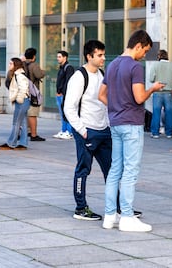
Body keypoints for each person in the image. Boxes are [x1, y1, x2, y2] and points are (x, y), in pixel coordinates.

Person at [100, 30, 164, 232]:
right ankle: (127, 216)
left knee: (115, 170)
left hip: (116, 122)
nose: (144, 55)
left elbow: (101, 95)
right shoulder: (135, 67)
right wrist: (152, 89)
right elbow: (138, 98)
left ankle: (110, 216)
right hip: (131, 123)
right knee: (130, 170)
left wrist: (116, 106)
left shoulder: (112, 65)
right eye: (144, 50)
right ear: (138, 45)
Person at [64, 39, 112, 221]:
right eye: (99, 55)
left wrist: (108, 124)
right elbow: (69, 107)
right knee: (83, 169)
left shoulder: (102, 75)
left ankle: (117, 206)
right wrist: (82, 130)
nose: (103, 58)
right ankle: (81, 207)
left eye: (103, 54)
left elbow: (105, 102)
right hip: (87, 130)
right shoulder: (79, 77)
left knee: (112, 170)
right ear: (89, 56)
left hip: (103, 130)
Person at [0, 58, 30, 150]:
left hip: (22, 101)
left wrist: (19, 99)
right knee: (22, 122)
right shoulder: (17, 74)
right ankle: (23, 143)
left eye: (11, 64)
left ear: (16, 65)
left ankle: (11, 142)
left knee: (16, 122)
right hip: (23, 101)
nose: (9, 65)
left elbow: (23, 88)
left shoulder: (20, 75)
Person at [149, 49, 172, 139]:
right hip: (168, 92)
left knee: (156, 113)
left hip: (158, 92)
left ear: (159, 56)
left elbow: (151, 78)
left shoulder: (155, 65)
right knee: (169, 113)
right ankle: (169, 133)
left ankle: (155, 133)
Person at [24, 47, 46, 142]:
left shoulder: (22, 65)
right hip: (33, 93)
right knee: (33, 114)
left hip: (24, 92)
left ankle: (28, 131)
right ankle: (33, 134)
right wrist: (44, 72)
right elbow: (39, 75)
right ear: (34, 56)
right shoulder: (34, 65)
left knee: (26, 113)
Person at [53, 50, 75, 140]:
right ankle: (63, 130)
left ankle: (69, 132)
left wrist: (63, 92)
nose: (58, 58)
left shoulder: (68, 68)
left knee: (67, 113)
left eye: (59, 57)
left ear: (65, 57)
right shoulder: (62, 67)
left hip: (65, 94)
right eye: (57, 57)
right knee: (62, 114)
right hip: (60, 94)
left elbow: (68, 82)